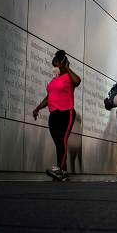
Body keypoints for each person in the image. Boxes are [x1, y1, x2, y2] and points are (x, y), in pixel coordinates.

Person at [33, 50, 81, 181]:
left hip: (66, 113)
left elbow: (77, 81)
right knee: (59, 143)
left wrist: (67, 68)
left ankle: (60, 168)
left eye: (57, 64)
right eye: (53, 65)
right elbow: (49, 97)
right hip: (53, 114)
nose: (54, 68)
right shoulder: (54, 80)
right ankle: (63, 171)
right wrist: (38, 108)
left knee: (62, 141)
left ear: (63, 63)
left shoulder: (69, 78)